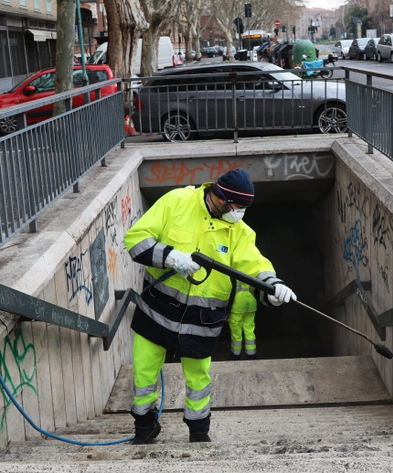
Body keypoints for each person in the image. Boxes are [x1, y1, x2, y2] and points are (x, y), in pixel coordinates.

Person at [123, 169, 295, 444]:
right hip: (156, 312)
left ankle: (199, 434)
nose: (239, 214)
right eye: (238, 207)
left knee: (198, 382)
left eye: (244, 209)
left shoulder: (239, 233)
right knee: (143, 374)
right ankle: (144, 427)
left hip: (201, 322)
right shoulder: (177, 201)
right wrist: (171, 257)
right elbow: (135, 239)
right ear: (223, 198)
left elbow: (255, 265)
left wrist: (272, 286)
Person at [229, 281, 258, 359]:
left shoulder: (234, 274)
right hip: (251, 304)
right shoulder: (251, 272)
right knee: (249, 329)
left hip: (237, 306)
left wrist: (227, 310)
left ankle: (236, 354)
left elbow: (231, 292)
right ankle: (251, 354)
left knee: (236, 332)